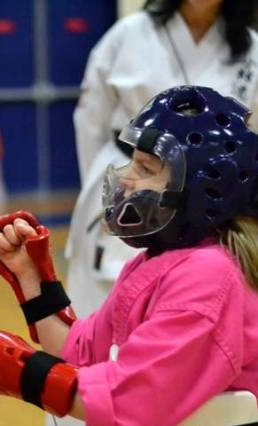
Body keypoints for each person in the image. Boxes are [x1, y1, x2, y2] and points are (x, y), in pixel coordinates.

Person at [0, 86, 258, 426]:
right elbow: (79, 353)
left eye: (145, 168)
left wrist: (24, 374)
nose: (126, 178)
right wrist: (30, 278)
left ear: (202, 189)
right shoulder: (158, 262)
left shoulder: (209, 277)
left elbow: (135, 400)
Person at [67, 0, 258, 324]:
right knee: (100, 313)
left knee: (188, 308)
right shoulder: (128, 35)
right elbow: (90, 122)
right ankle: (91, 373)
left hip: (208, 201)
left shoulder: (249, 49)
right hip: (129, 175)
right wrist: (109, 190)